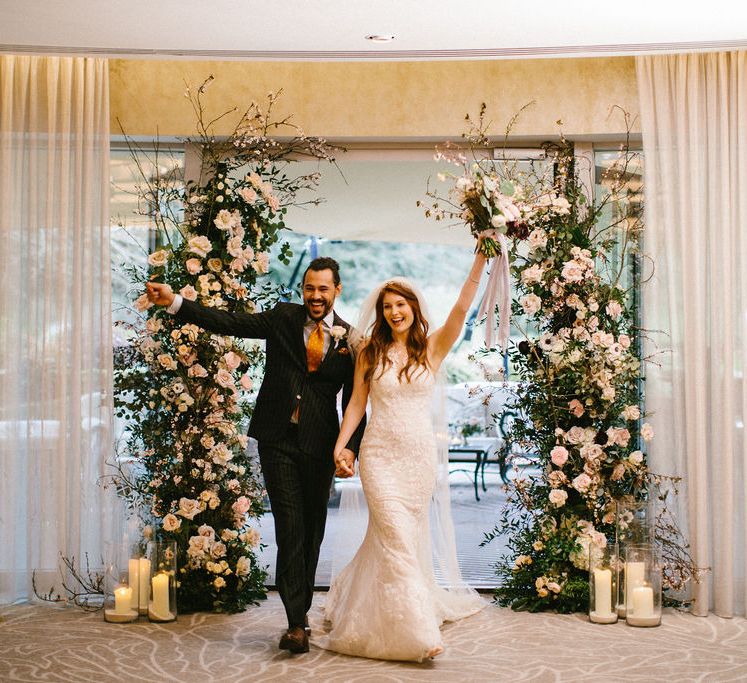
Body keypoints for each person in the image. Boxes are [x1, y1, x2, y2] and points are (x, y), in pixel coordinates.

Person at [145, 256, 365, 655]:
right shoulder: (282, 318)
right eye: (309, 288)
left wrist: (349, 448)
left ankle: (302, 610)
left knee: (313, 529)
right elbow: (230, 322)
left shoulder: (351, 340)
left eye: (323, 289)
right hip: (276, 438)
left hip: (320, 446)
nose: (315, 296)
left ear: (337, 290)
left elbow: (355, 402)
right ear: (303, 289)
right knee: (289, 524)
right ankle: (296, 623)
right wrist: (175, 301)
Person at [314, 250, 488, 662]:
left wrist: (480, 258)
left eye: (400, 305)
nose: (394, 312)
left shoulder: (432, 349)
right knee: (393, 534)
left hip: (418, 458)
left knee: (399, 539)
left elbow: (463, 308)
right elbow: (357, 403)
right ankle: (416, 632)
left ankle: (359, 597)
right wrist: (341, 445)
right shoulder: (370, 353)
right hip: (378, 457)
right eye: (387, 306)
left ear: (413, 308)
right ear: (381, 312)